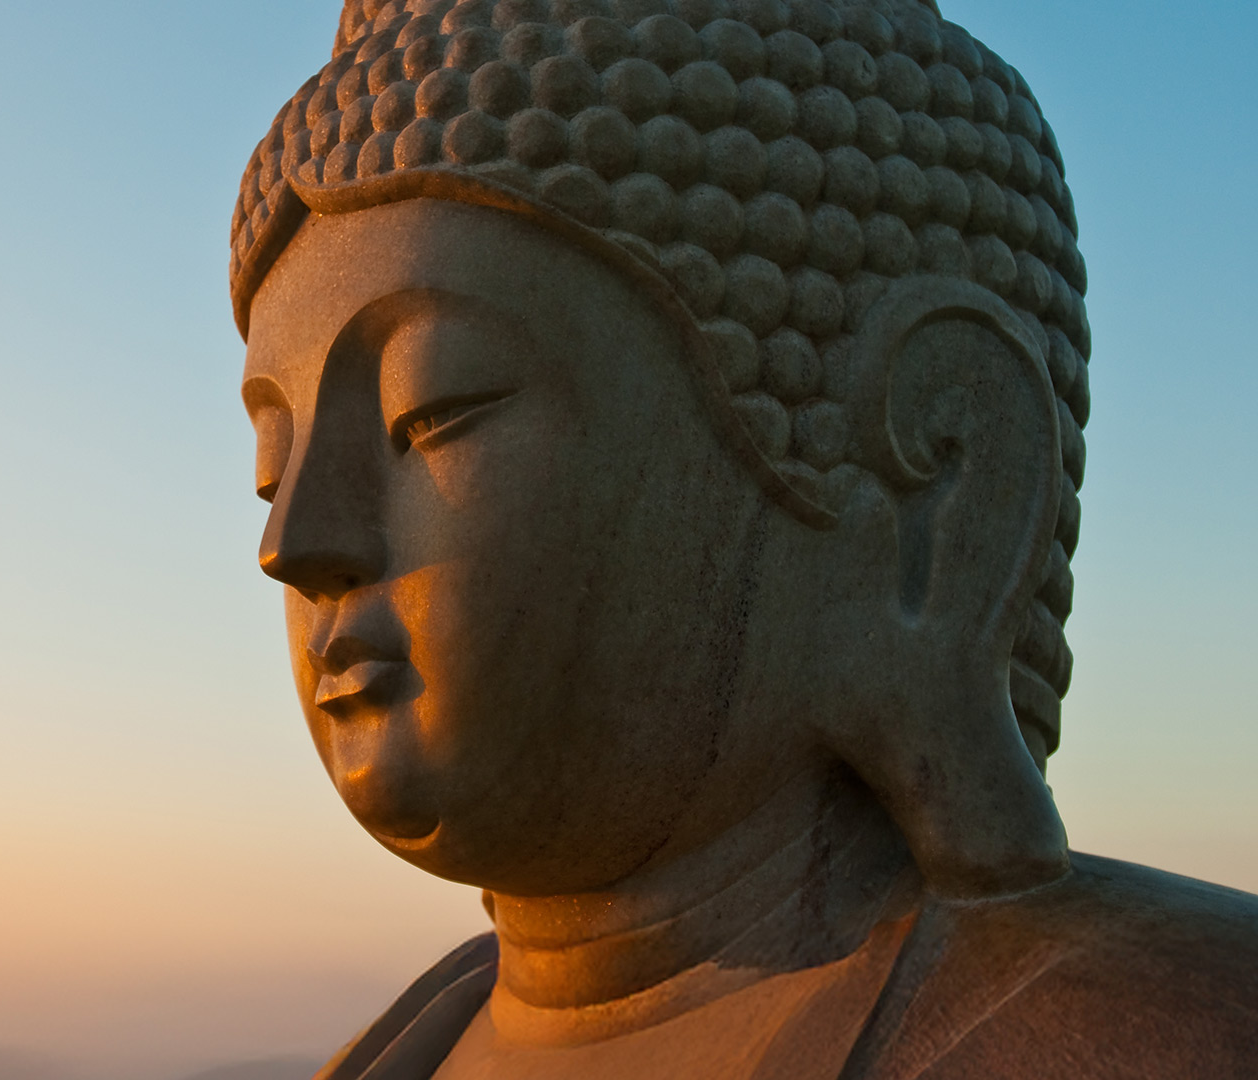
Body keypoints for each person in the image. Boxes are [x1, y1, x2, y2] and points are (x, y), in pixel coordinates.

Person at [230, 1, 1258, 1076]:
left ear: (936, 488)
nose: (297, 543)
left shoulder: (1169, 1035)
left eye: (429, 409)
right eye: (270, 466)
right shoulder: (401, 1046)